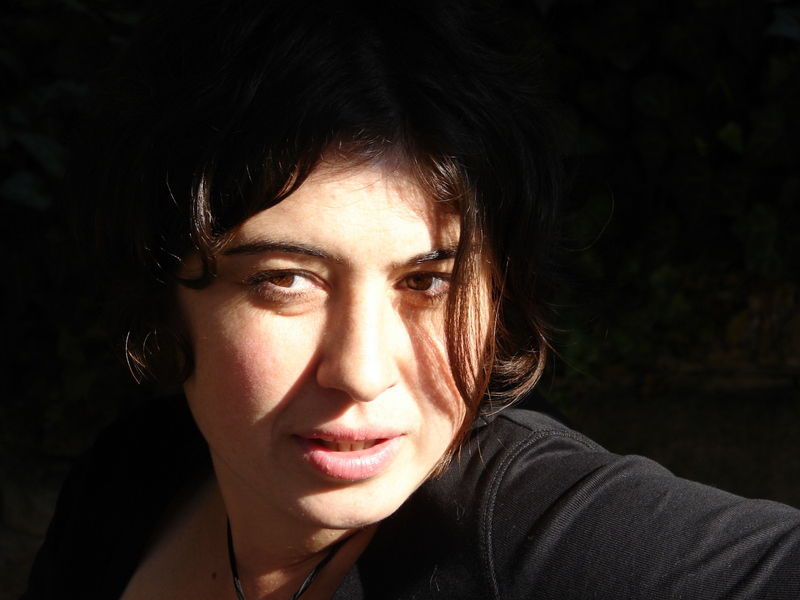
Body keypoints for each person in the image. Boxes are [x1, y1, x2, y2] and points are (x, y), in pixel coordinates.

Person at [22, 1, 800, 598]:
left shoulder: (522, 528)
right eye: (285, 280)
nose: (362, 373)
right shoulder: (127, 485)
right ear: (165, 293)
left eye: (428, 281)